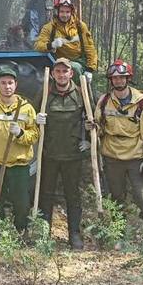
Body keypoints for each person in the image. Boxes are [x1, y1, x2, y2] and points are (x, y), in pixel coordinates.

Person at [87, 59, 143, 250]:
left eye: (122, 78)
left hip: (137, 158)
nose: (118, 81)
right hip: (112, 157)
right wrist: (92, 129)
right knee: (116, 199)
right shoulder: (104, 102)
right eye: (115, 78)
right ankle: (119, 236)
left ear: (128, 79)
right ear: (111, 80)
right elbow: (100, 128)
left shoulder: (141, 102)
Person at [0, 67, 39, 232]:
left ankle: (20, 232)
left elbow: (34, 136)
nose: (7, 86)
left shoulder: (26, 108)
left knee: (21, 203)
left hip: (19, 164)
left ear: (16, 85)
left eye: (10, 83)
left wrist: (20, 133)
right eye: (3, 83)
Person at [35, 58, 87, 249]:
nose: (61, 74)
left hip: (73, 155)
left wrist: (88, 138)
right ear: (53, 73)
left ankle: (74, 234)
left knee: (72, 195)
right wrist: (36, 119)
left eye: (65, 71)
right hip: (49, 154)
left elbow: (95, 116)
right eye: (58, 71)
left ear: (71, 74)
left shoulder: (82, 93)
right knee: (46, 195)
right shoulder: (46, 92)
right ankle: (44, 232)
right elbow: (32, 114)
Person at [34, 0, 98, 83]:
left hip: (79, 61)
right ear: (57, 12)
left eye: (67, 12)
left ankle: (81, 94)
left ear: (71, 12)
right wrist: (51, 45)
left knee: (76, 68)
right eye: (62, 12)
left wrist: (90, 69)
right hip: (58, 62)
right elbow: (38, 45)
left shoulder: (80, 26)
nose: (65, 15)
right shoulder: (49, 27)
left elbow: (90, 48)